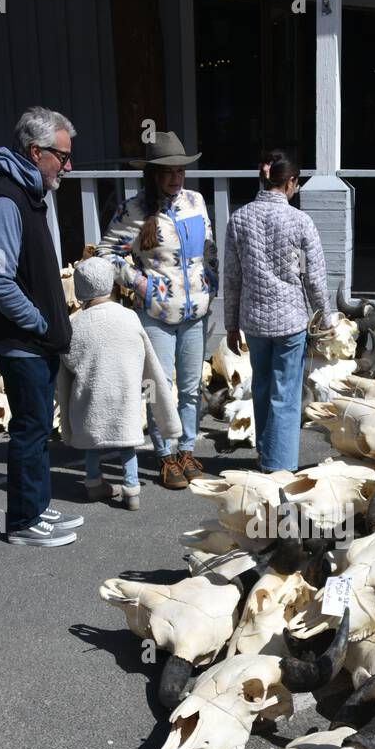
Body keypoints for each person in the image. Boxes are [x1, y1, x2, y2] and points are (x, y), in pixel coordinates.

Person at [0, 105, 80, 547]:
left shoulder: (30, 193)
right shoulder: (6, 198)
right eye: (62, 156)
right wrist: (37, 321)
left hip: (36, 341)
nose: (68, 165)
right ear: (36, 152)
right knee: (29, 430)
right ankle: (21, 521)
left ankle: (37, 507)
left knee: (38, 431)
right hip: (22, 342)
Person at [97, 132, 217, 490]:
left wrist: (210, 278)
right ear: (151, 174)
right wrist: (142, 283)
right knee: (157, 387)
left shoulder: (196, 202)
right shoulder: (133, 210)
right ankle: (164, 455)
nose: (174, 177)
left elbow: (208, 248)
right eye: (166, 171)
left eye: (179, 170)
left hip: (195, 312)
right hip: (157, 314)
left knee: (192, 388)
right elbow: (107, 253)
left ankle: (187, 449)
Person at [223, 148, 330, 475]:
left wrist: (230, 325)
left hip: (254, 321)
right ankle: (280, 467)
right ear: (291, 182)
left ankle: (266, 455)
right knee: (285, 396)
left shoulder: (239, 218)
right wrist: (325, 317)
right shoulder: (300, 221)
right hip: (290, 321)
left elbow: (231, 277)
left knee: (263, 389)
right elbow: (314, 277)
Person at [56, 257, 181, 510]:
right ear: (110, 283)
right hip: (124, 397)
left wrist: (66, 419)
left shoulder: (74, 324)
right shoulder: (129, 318)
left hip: (89, 399)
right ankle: (131, 489)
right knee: (126, 446)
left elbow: (65, 371)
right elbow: (149, 367)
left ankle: (93, 483)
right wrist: (157, 402)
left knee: (92, 445)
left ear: (80, 288)